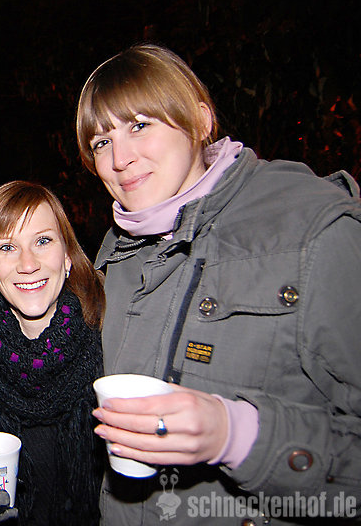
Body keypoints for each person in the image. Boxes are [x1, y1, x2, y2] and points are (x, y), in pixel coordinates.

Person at [76, 43, 361, 523]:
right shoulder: (119, 252)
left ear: (200, 119)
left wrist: (238, 436)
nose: (119, 158)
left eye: (139, 125)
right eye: (101, 142)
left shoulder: (310, 231)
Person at [0, 181, 106, 525]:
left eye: (43, 241)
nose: (28, 263)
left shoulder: (110, 336)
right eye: (7, 247)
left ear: (67, 256)